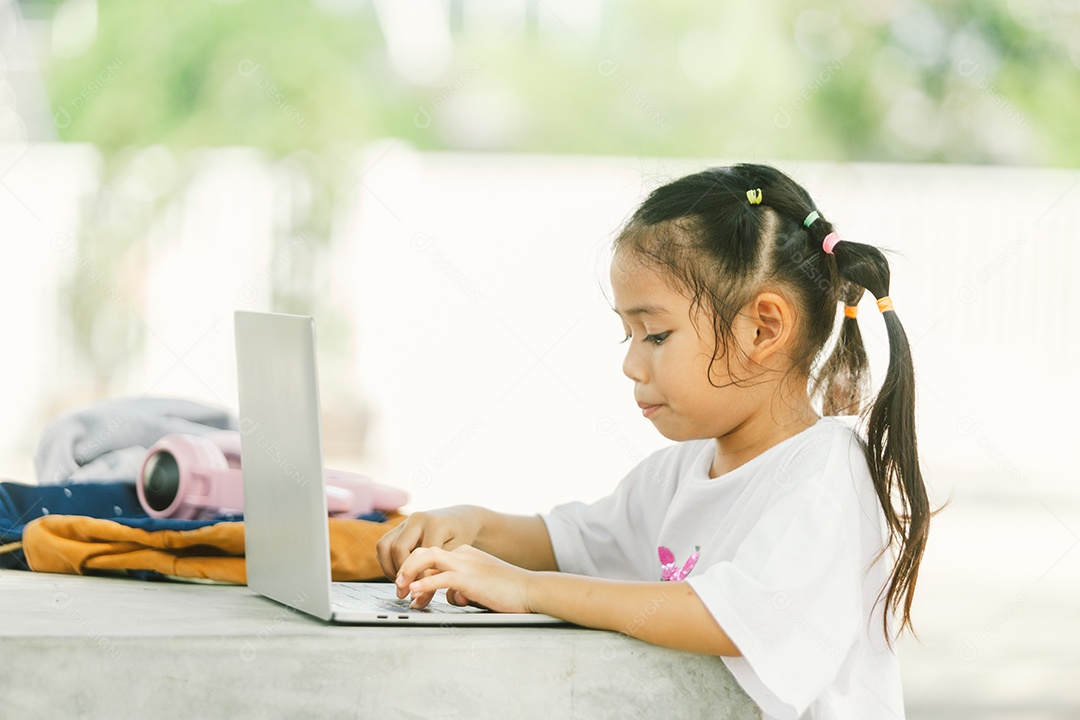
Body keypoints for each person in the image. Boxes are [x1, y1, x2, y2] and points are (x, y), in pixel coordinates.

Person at [376, 163, 929, 719]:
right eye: (629, 335)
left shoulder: (825, 473)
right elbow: (571, 542)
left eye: (656, 334)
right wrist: (472, 525)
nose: (630, 364)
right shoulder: (681, 470)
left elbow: (728, 618)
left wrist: (526, 589)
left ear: (762, 328)